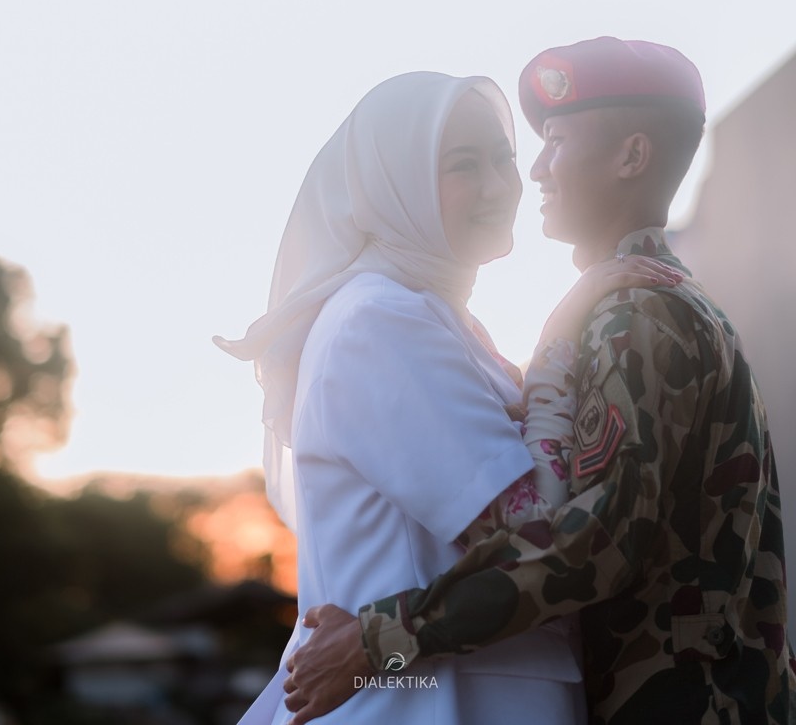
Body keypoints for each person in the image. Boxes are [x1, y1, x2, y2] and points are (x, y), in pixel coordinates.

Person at [283, 39, 796, 725]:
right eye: (469, 162)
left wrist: (378, 644)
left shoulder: (635, 315)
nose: (532, 171)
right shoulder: (633, 305)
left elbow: (589, 546)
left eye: (550, 143)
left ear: (631, 157)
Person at [214, 69, 674, 725]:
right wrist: (564, 330)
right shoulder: (379, 322)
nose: (500, 185)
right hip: (427, 704)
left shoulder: (436, 319)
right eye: (463, 164)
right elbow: (534, 535)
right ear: (393, 184)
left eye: (502, 158)